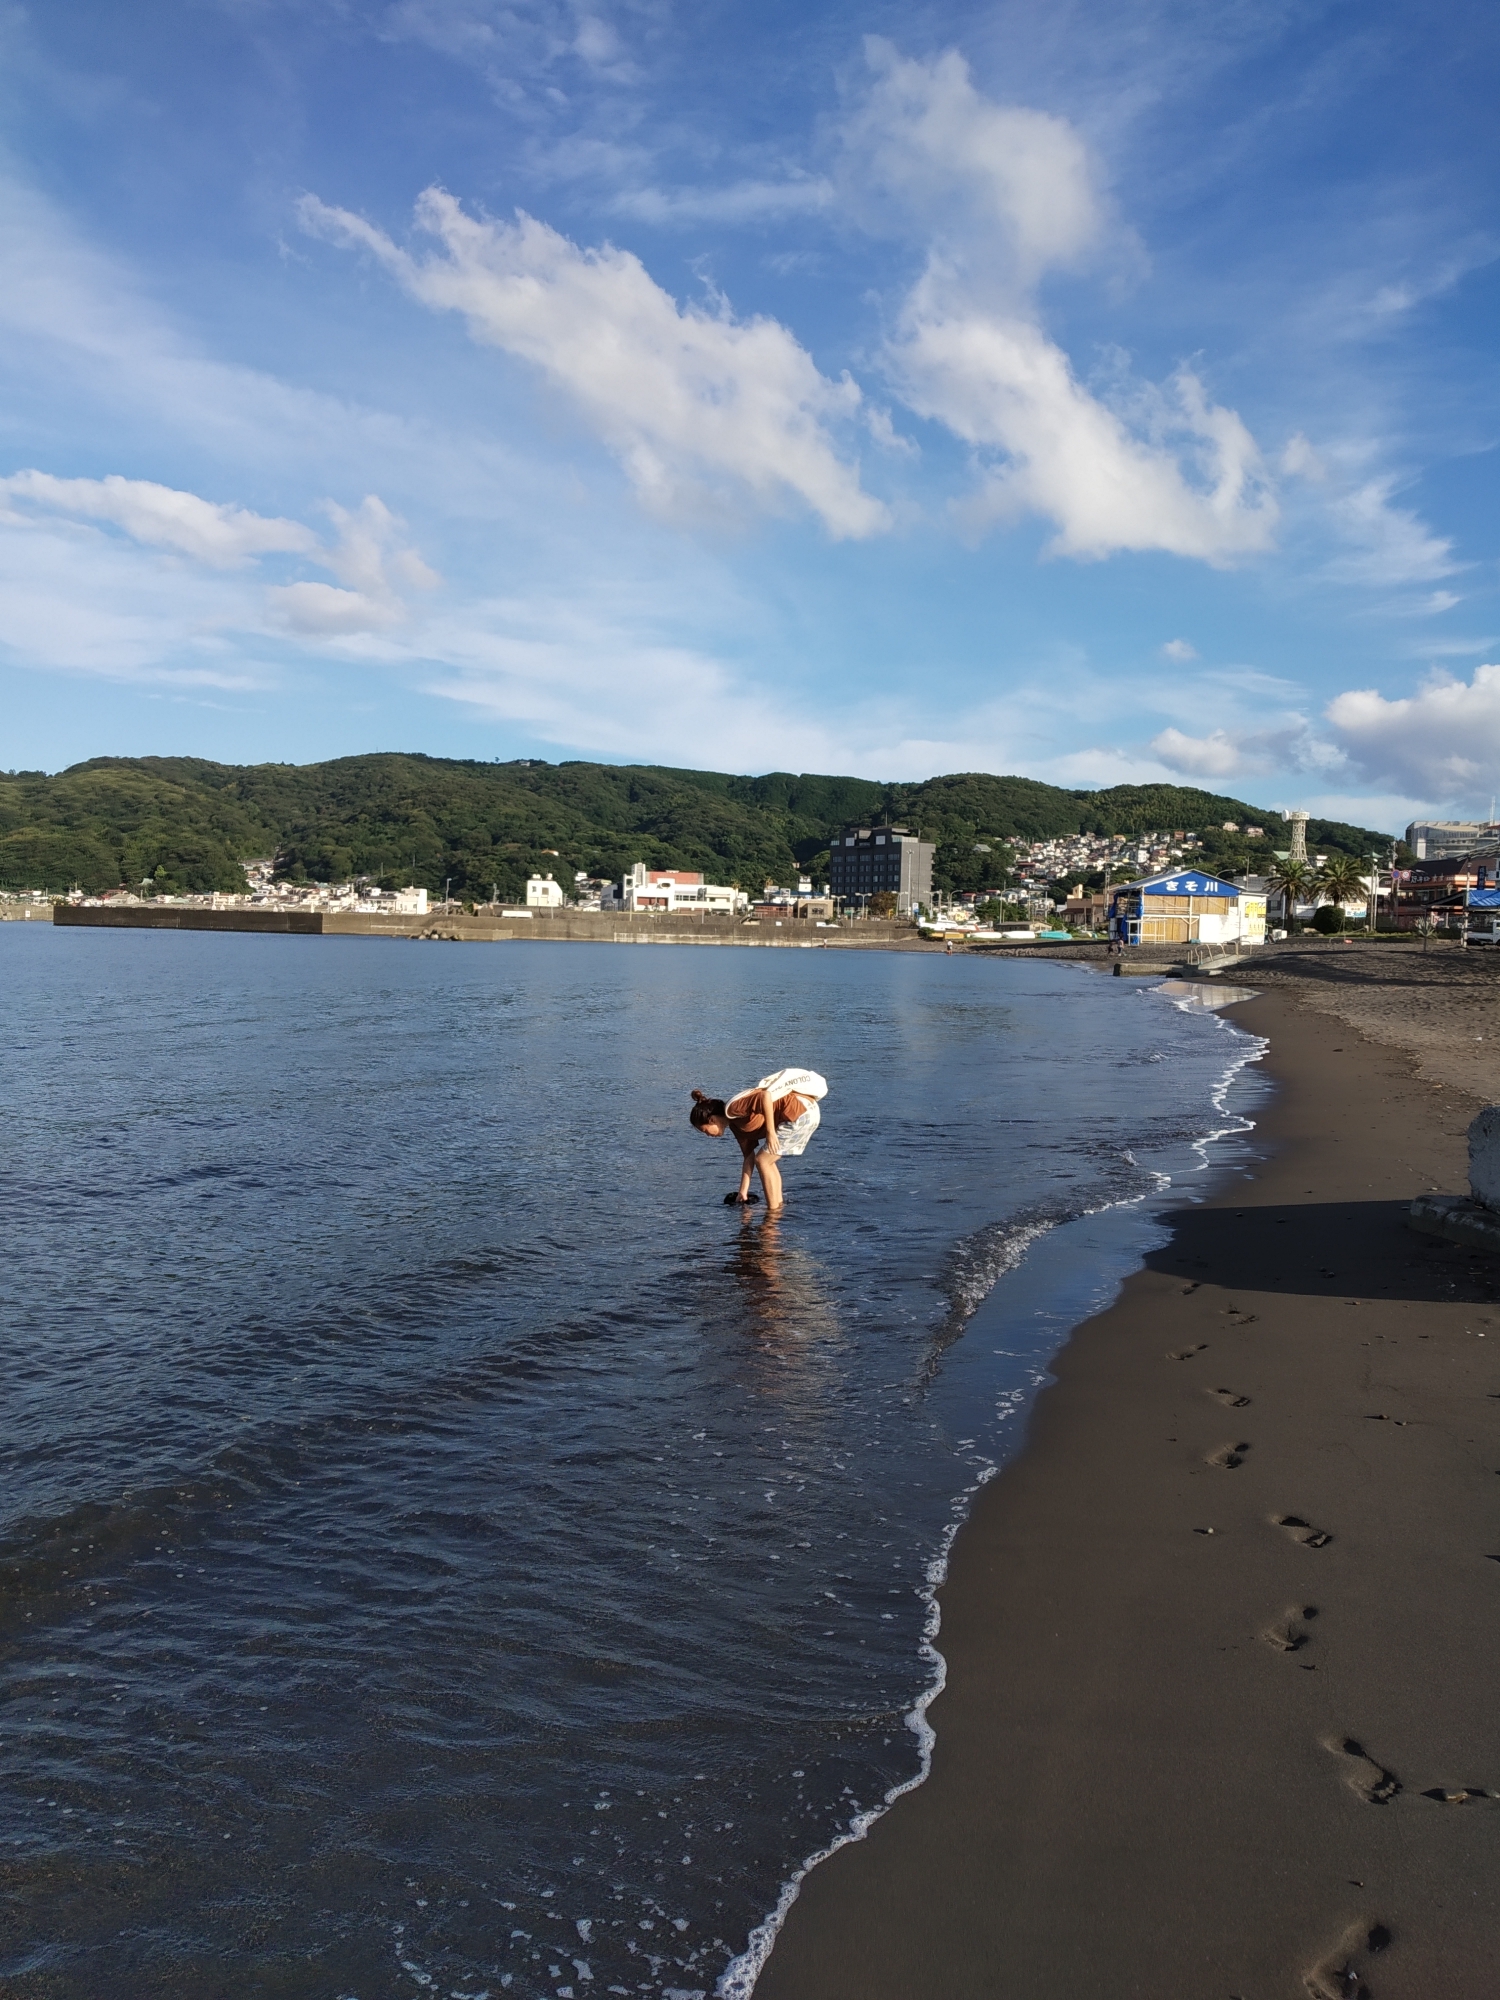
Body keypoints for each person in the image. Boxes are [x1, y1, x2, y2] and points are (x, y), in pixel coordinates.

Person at [690, 1067, 828, 1211]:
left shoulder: (732, 1108)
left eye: (705, 1130)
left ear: (711, 1119)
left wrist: (770, 1132)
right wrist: (743, 1191)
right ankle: (778, 1207)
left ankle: (772, 1214)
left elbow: (765, 1096)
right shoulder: (736, 1126)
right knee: (767, 1161)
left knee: (763, 1160)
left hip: (800, 1112)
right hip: (805, 1113)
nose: (707, 1135)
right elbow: (748, 1157)